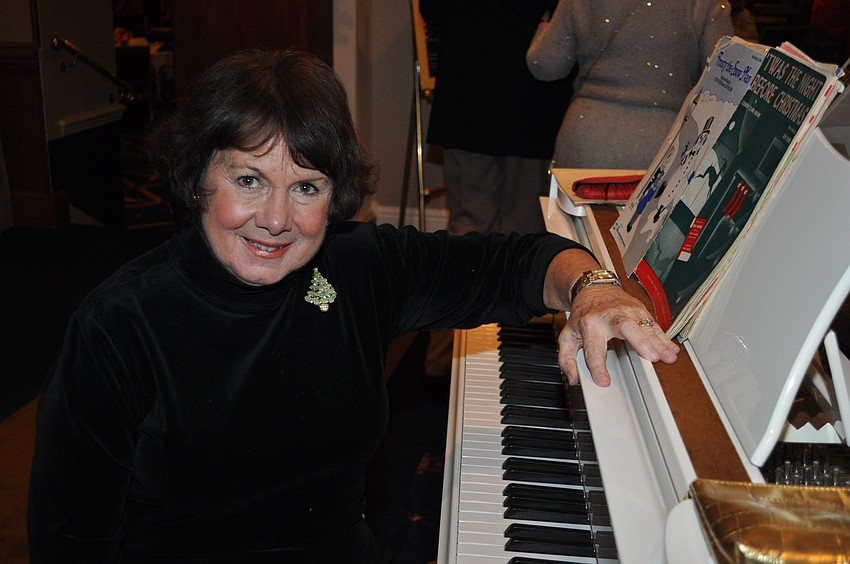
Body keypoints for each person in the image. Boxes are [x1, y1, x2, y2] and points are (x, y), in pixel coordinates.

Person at [27, 49, 678, 563]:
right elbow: (70, 544)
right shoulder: (120, 327)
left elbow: (519, 261)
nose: (276, 219)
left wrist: (593, 287)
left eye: (305, 186)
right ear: (199, 176)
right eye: (249, 179)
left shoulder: (351, 269)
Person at [419, 0, 573, 235]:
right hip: (530, 102)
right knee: (525, 231)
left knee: (471, 229)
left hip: (468, 96)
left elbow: (432, 10)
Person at [526, 0, 733, 170]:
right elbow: (727, 79)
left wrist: (543, 28)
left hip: (587, 139)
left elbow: (545, 65)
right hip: (667, 144)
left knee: (578, 221)